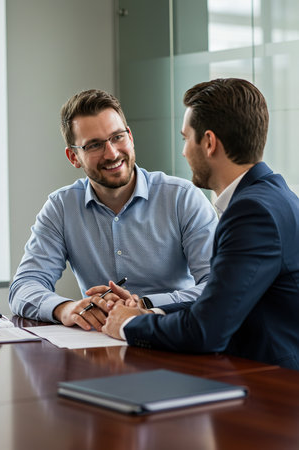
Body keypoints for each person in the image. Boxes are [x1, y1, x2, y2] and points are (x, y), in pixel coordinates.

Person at [102, 78, 299, 370]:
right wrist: (148, 310)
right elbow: (220, 300)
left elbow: (206, 331)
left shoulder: (251, 212)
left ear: (208, 142)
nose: (183, 152)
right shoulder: (274, 196)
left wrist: (127, 326)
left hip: (270, 389)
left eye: (185, 138)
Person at [9, 89, 217, 331]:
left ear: (130, 136)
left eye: (117, 137)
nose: (112, 153)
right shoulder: (61, 207)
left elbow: (216, 286)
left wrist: (144, 304)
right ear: (73, 157)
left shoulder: (182, 198)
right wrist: (66, 308)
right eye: (94, 145)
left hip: (173, 336)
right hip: (102, 346)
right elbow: (24, 286)